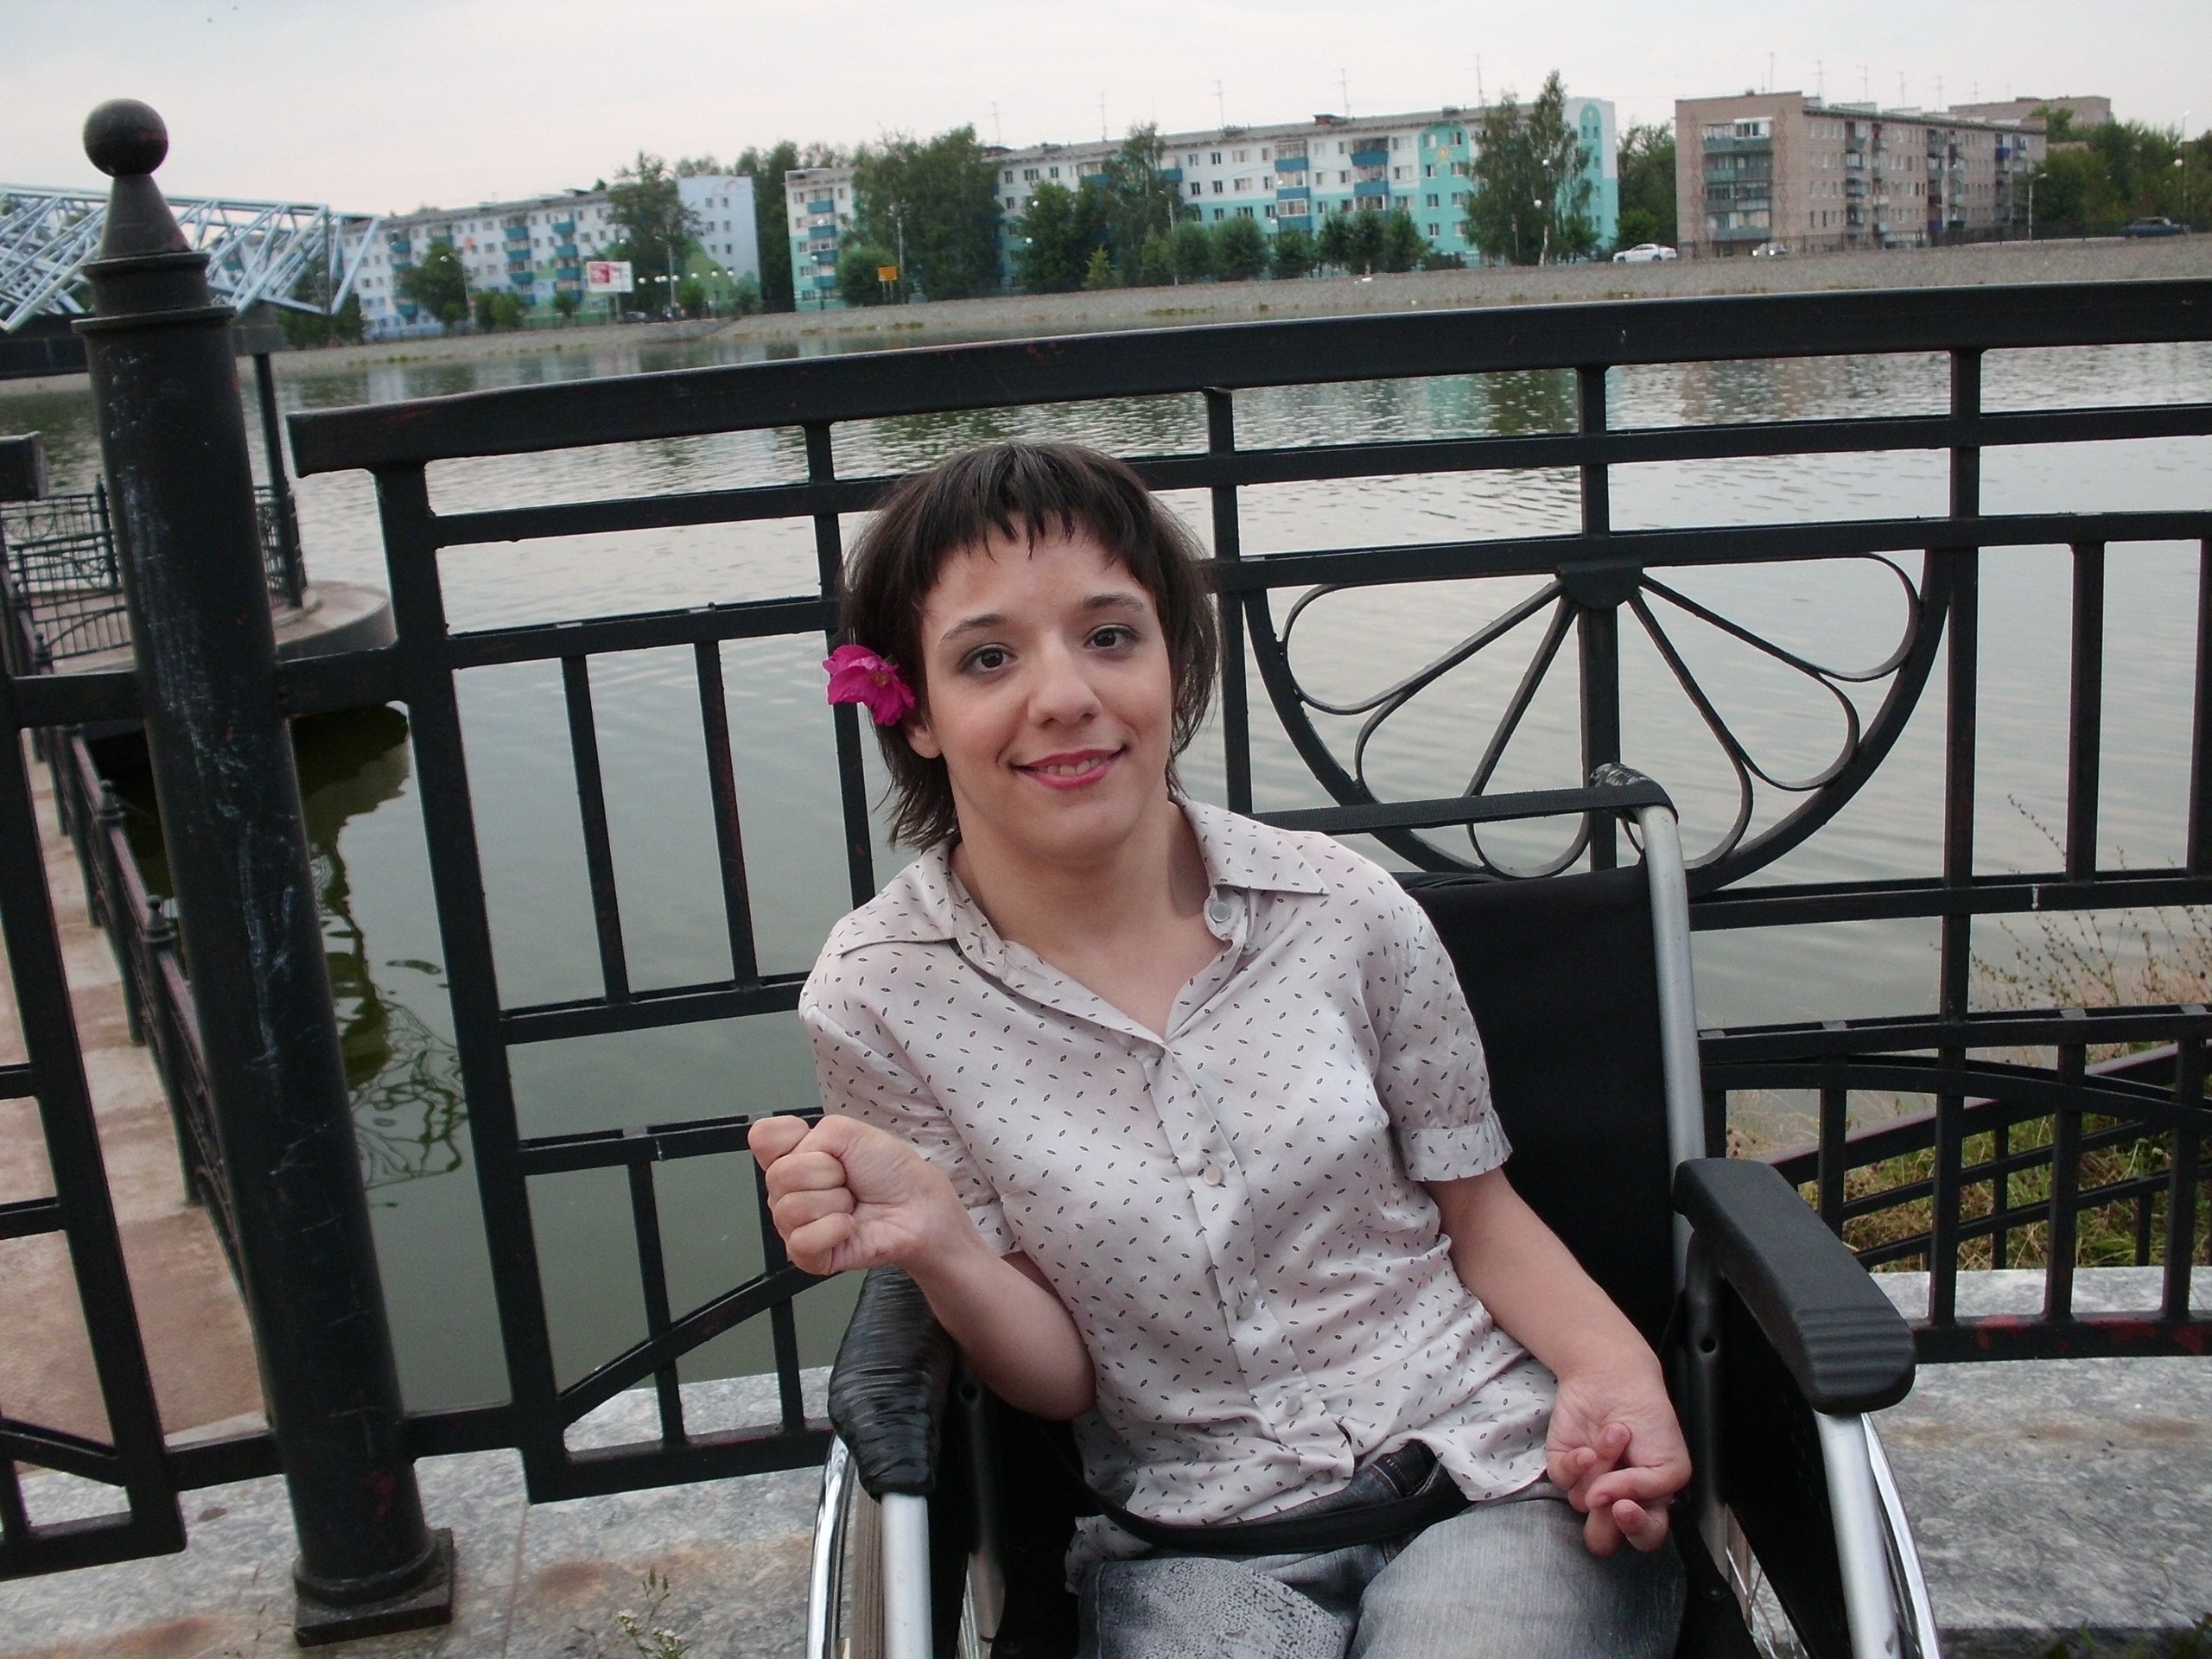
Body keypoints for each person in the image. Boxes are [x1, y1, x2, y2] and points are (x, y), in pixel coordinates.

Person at [749, 442, 1688, 1659]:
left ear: (1174, 663)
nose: (1064, 696)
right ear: (915, 712)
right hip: (1193, 1544)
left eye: (1110, 636)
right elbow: (1063, 1380)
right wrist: (937, 1241)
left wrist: (1617, 1373)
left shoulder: (1341, 906)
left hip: (1490, 1475)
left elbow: (1477, 1207)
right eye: (988, 657)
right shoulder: (879, 998)